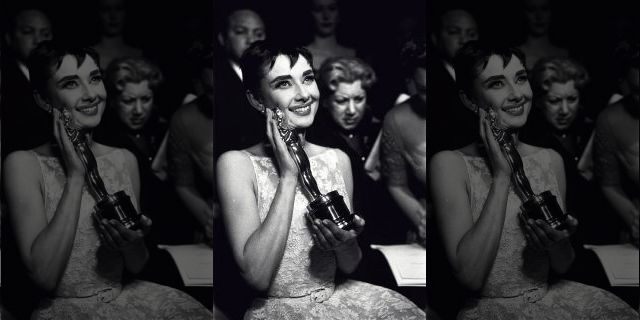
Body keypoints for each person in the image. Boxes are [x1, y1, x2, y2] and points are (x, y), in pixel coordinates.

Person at [2, 40, 212, 319]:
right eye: (70, 84)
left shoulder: (124, 159)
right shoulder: (22, 164)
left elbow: (137, 266)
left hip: (129, 299)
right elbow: (44, 276)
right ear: (43, 98)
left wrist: (131, 243)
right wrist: (76, 176)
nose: (91, 94)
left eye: (95, 78)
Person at [216, 40, 425, 319]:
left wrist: (345, 244)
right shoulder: (235, 164)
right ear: (256, 99)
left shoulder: (338, 159)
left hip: (340, 299)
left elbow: (350, 266)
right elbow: (257, 277)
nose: (304, 94)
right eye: (283, 84)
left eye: (308, 78)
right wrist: (289, 176)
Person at [429, 40, 638, 319]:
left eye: (521, 78)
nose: (517, 94)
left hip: (553, 300)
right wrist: (502, 176)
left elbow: (562, 266)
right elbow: (470, 276)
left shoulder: (551, 159)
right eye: (496, 84)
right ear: (469, 99)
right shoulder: (448, 164)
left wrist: (557, 242)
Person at [593, 40, 639, 247]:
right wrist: (635, 222)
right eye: (638, 90)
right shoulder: (610, 120)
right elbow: (610, 184)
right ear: (625, 84)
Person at [426, 7, 480, 158]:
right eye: (454, 32)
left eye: (471, 34)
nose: (464, 40)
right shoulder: (429, 81)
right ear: (436, 38)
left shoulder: (486, 76)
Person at [1, 7, 54, 159]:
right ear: (9, 38)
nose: (38, 40)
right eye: (28, 32)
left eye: (45, 34)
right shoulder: (5, 79)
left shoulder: (59, 76)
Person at [517, 0, 569, 70]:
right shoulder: (513, 57)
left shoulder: (564, 55)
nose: (539, 16)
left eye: (544, 9)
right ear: (523, 13)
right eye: (531, 10)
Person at [304, 0, 356, 70]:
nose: (326, 16)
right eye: (318, 9)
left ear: (339, 13)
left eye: (332, 8)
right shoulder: (300, 58)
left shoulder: (354, 55)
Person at [91, 0, 143, 70]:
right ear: (98, 13)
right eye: (106, 9)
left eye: (119, 9)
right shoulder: (87, 57)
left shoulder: (139, 56)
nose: (113, 16)